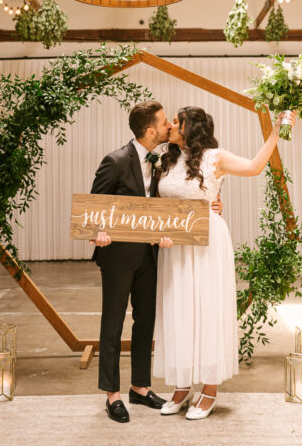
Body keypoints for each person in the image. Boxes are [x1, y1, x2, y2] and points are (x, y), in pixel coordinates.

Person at [154, 106, 296, 420]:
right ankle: (181, 386)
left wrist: (275, 131)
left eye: (178, 121)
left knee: (207, 310)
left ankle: (210, 390)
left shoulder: (215, 157)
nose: (172, 125)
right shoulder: (166, 158)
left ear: (192, 126)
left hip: (207, 242)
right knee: (178, 310)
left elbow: (255, 167)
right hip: (175, 246)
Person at [90, 100, 224, 424]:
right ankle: (113, 394)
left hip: (152, 255)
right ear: (151, 130)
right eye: (164, 123)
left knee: (146, 323)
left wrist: (212, 206)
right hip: (119, 257)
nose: (169, 127)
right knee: (112, 324)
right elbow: (94, 207)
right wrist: (98, 232)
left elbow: (178, 198)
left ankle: (140, 386)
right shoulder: (116, 161)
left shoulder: (165, 161)